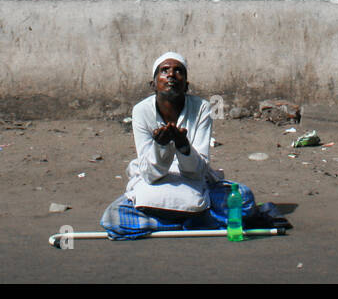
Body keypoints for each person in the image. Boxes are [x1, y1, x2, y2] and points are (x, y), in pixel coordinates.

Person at [99, 52, 286, 240]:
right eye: (165, 71)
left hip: (192, 181)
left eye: (178, 71)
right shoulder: (141, 111)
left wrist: (183, 147)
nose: (171, 75)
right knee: (114, 217)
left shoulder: (202, 108)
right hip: (155, 182)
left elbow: (197, 172)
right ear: (153, 84)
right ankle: (195, 222)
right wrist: (161, 148)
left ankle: (164, 224)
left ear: (186, 85)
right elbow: (149, 174)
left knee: (243, 197)